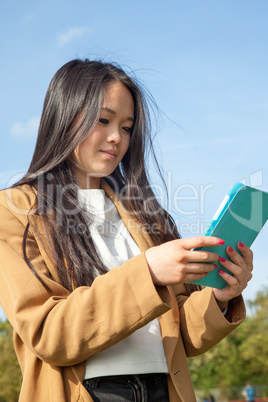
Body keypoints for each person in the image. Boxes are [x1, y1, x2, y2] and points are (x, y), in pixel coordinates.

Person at [0, 59, 253, 402]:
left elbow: (180, 338)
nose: (117, 137)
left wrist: (220, 297)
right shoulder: (14, 210)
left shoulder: (143, 212)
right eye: (103, 120)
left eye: (128, 126)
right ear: (63, 117)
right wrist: (148, 272)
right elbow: (49, 333)